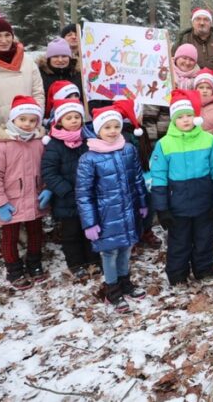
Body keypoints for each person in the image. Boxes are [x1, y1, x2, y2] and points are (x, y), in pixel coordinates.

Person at [147, 90, 213, 286]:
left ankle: (204, 270)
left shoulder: (208, 140)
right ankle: (177, 275)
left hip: (204, 202)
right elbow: (158, 178)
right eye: (180, 117)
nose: (185, 120)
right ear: (173, 120)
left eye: (189, 116)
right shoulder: (164, 144)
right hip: (178, 206)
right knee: (179, 242)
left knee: (204, 239)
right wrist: (162, 208)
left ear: (195, 117)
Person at [77, 105, 150, 313]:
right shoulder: (89, 159)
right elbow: (84, 194)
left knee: (126, 247)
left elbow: (137, 179)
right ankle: (112, 289)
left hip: (128, 211)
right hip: (105, 215)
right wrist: (89, 222)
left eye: (116, 126)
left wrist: (143, 203)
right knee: (109, 252)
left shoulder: (128, 149)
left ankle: (125, 281)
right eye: (107, 127)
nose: (112, 131)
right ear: (97, 129)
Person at [0, 95, 50, 290]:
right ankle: (14, 269)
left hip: (35, 197)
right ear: (13, 120)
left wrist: (48, 189)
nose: (28, 124)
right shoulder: (1, 146)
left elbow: (47, 169)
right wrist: (0, 203)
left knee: (36, 232)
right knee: (10, 236)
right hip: (10, 201)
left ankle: (34, 263)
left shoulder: (40, 143)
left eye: (32, 120)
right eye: (23, 120)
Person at [41, 99, 100, 280]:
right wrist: (66, 190)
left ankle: (93, 260)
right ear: (59, 121)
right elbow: (49, 172)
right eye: (69, 117)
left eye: (77, 117)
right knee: (71, 233)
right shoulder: (54, 145)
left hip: (89, 197)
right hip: (67, 199)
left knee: (90, 230)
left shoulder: (89, 140)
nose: (74, 120)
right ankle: (76, 264)